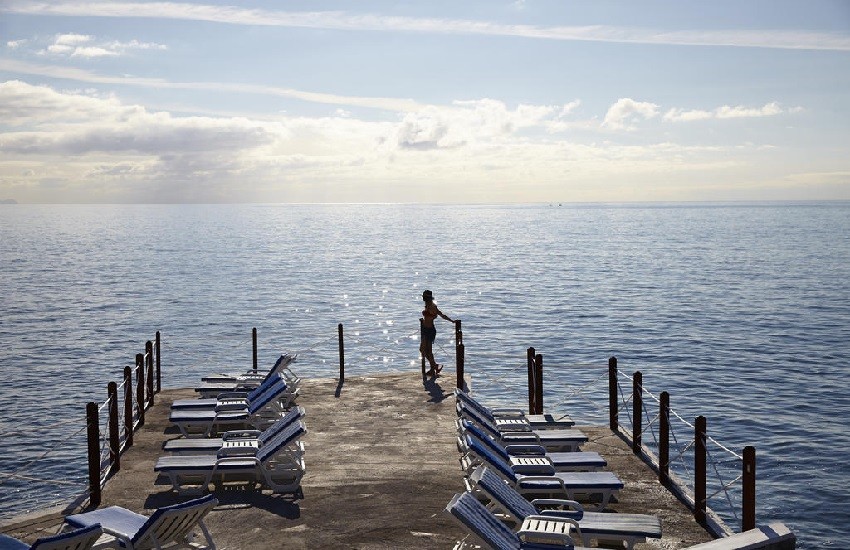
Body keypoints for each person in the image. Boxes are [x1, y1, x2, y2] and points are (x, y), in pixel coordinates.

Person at [419, 289, 455, 377]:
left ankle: (433, 368)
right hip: (424, 329)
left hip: (430, 330)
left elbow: (441, 315)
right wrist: (423, 321)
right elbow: (428, 317)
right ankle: (434, 367)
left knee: (428, 351)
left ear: (427, 298)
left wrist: (452, 321)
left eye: (424, 297)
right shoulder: (427, 305)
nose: (423, 298)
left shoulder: (433, 306)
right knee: (422, 350)